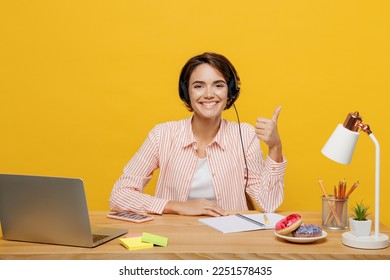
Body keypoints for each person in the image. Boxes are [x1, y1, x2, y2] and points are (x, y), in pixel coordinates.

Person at [109, 52, 287, 217]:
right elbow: (119, 195)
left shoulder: (245, 135)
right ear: (187, 93)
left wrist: (275, 147)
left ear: (230, 93)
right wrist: (175, 206)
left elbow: (268, 204)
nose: (209, 94)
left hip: (230, 242)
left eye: (218, 85)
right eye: (198, 86)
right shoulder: (162, 135)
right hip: (174, 240)